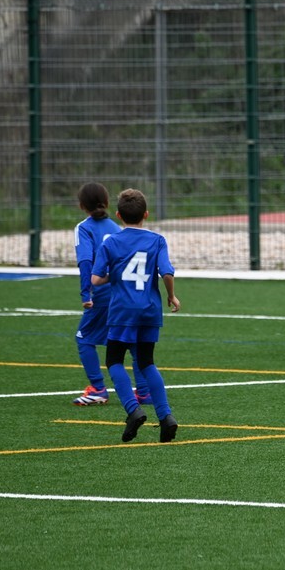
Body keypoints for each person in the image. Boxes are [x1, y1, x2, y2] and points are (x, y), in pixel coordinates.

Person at [91, 188, 180, 443]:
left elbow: (96, 279)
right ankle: (166, 416)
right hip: (149, 310)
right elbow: (166, 273)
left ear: (118, 215)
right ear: (146, 215)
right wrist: (171, 296)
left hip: (122, 310)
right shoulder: (158, 240)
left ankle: (133, 410)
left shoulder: (111, 242)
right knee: (146, 362)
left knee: (114, 360)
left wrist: (114, 275)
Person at [71, 183, 148, 407]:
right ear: (106, 202)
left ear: (81, 205)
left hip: (101, 292)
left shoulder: (84, 228)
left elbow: (86, 261)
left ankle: (97, 388)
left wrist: (86, 293)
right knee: (132, 341)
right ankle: (144, 391)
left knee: (84, 337)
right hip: (121, 293)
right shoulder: (116, 228)